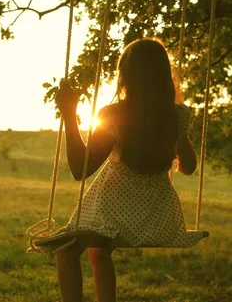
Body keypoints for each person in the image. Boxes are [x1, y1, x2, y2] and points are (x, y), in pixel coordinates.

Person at [54, 38, 206, 302]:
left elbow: (80, 168)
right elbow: (190, 167)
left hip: (114, 214)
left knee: (65, 249)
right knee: (98, 251)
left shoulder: (115, 115)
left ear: (125, 77)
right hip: (158, 219)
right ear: (164, 76)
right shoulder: (175, 115)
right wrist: (174, 143)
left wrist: (69, 114)